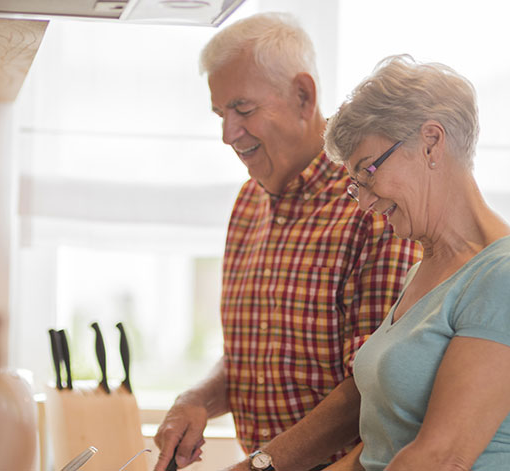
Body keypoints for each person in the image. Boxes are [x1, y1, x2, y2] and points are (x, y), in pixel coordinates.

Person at [152, 14, 421, 471]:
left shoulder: (373, 203)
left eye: (243, 108)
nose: (227, 134)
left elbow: (373, 387)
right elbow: (257, 355)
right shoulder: (247, 204)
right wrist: (196, 399)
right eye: (221, 114)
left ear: (304, 95)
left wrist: (261, 466)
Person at [319, 54, 510, 470]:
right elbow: (383, 447)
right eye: (355, 186)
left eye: (368, 172)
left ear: (431, 143)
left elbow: (442, 457)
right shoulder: (423, 270)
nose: (365, 201)